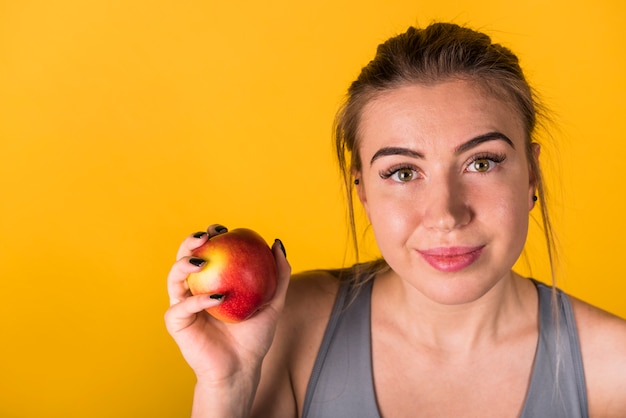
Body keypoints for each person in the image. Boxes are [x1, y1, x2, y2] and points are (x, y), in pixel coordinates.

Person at [165, 22, 626, 417]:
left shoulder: (615, 367)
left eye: (482, 163)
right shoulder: (286, 328)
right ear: (362, 190)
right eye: (403, 172)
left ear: (532, 177)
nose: (446, 215)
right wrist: (226, 390)